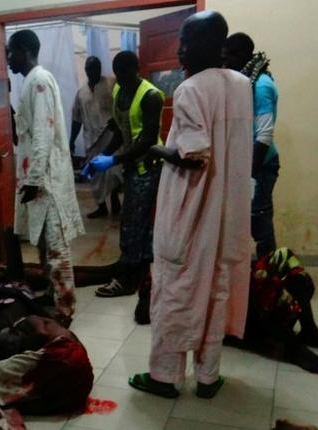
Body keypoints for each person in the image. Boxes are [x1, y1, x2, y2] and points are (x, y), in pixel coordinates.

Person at [128, 11, 253, 399]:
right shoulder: (242, 84)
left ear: (209, 45)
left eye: (185, 42)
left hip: (190, 212)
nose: (179, 50)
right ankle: (208, 376)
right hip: (226, 213)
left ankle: (164, 377)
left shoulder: (191, 89)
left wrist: (155, 148)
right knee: (215, 289)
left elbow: (194, 155)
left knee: (174, 290)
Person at [7, 30, 84, 327]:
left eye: (11, 52)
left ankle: (65, 309)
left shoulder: (38, 80)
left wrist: (34, 179)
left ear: (25, 50)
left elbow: (42, 132)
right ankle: (54, 293)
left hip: (46, 181)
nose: (8, 59)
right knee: (43, 243)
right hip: (37, 176)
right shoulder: (30, 82)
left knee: (55, 247)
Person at [86, 51, 165, 298]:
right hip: (132, 166)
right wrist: (101, 158)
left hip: (149, 166)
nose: (120, 79)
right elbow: (121, 131)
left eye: (125, 74)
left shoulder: (151, 96)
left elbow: (149, 139)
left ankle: (127, 280)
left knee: (132, 224)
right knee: (136, 223)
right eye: (117, 74)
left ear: (136, 69)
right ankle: (140, 274)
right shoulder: (120, 90)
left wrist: (114, 159)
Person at [0, 315, 94, 430]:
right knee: (3, 392)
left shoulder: (34, 327)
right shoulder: (51, 329)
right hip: (76, 390)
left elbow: (40, 334)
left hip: (65, 362)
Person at [232, 247, 318, 374]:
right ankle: (292, 347)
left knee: (284, 255)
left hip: (233, 284)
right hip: (229, 316)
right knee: (262, 278)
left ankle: (309, 329)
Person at [224, 32, 280, 257]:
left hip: (260, 165)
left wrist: (248, 174)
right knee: (242, 221)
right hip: (245, 163)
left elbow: (264, 135)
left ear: (241, 55)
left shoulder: (261, 86)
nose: (225, 64)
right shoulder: (244, 82)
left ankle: (270, 276)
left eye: (228, 58)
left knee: (259, 220)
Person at [69, 56, 121, 219]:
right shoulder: (81, 93)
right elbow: (76, 119)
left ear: (100, 68)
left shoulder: (112, 83)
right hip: (91, 138)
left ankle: (115, 200)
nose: (94, 71)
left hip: (110, 134)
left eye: (96, 68)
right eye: (90, 68)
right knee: (95, 174)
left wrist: (118, 120)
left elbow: (122, 103)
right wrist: (71, 140)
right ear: (86, 70)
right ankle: (101, 207)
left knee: (112, 171)